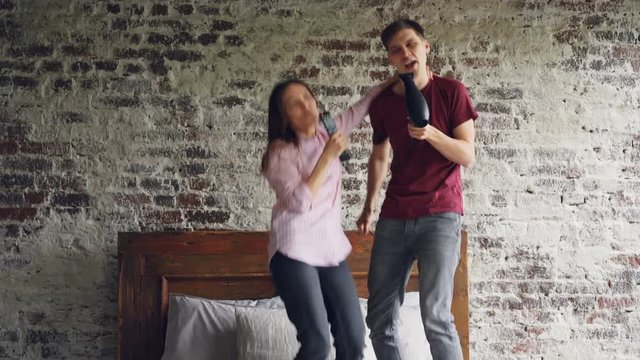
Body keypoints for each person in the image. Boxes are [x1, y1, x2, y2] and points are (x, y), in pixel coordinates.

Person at [356, 19, 478, 360]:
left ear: (425, 47)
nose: (405, 53)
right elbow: (380, 155)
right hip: (394, 216)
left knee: (436, 317)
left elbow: (467, 154)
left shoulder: (452, 92)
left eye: (410, 44)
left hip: (440, 215)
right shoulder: (383, 103)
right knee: (379, 318)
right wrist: (368, 206)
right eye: (396, 50)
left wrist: (432, 134)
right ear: (391, 60)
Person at [262, 74, 397, 360]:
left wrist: (396, 80)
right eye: (295, 104)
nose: (307, 106)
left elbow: (363, 105)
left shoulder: (328, 128)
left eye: (308, 98)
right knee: (317, 343)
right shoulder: (279, 152)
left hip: (328, 248)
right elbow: (299, 202)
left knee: (353, 337)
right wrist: (326, 156)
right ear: (283, 118)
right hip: (293, 250)